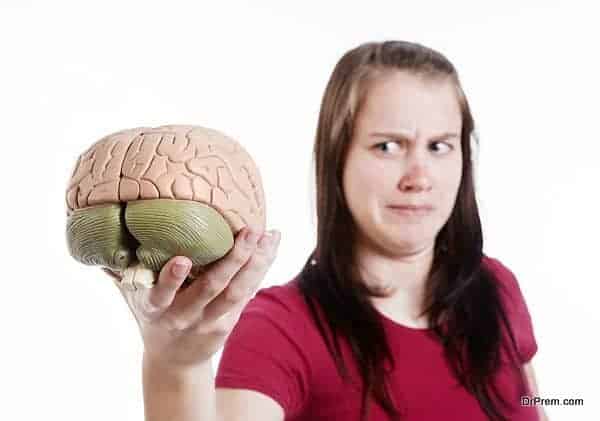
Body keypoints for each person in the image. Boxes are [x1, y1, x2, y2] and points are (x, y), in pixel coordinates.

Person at [108, 40, 546, 421]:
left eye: (439, 146)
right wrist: (176, 368)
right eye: (387, 146)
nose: (419, 176)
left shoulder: (497, 287)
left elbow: (539, 406)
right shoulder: (281, 328)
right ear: (337, 160)